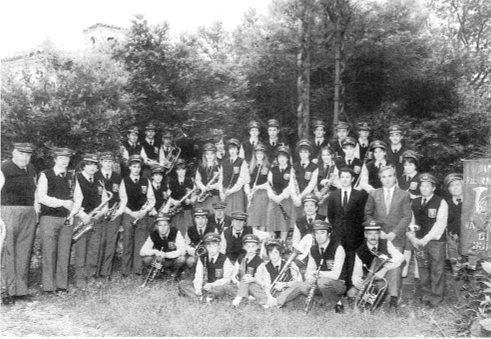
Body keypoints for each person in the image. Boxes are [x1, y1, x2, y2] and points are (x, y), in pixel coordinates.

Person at [364, 165, 412, 304]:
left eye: (390, 176)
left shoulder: (403, 194)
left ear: (395, 177)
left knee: (395, 265)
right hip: (378, 237)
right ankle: (373, 295)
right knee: (378, 264)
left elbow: (406, 217)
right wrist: (377, 231)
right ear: (380, 179)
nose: (387, 179)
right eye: (384, 177)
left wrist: (393, 233)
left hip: (395, 237)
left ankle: (394, 298)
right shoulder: (374, 194)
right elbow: (368, 214)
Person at [276, 220, 347, 313]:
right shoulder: (313, 249)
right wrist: (311, 279)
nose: (319, 236)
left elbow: (336, 275)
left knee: (322, 282)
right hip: (319, 281)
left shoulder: (338, 248)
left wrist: (319, 274)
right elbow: (308, 272)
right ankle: (332, 302)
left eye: (322, 232)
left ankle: (331, 305)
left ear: (329, 234)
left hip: (338, 283)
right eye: (316, 233)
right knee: (303, 287)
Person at [1, 143, 37, 304]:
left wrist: (36, 211)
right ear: (14, 154)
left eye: (28, 155)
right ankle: (6, 291)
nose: (25, 158)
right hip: (8, 211)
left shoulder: (32, 169)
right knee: (8, 252)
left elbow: (35, 192)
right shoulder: (4, 168)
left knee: (24, 251)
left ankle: (21, 290)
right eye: (22, 154)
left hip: (28, 212)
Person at [36, 147, 75, 295]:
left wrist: (72, 214)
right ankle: (48, 287)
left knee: (64, 252)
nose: (64, 161)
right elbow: (41, 197)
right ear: (55, 159)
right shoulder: (46, 175)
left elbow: (77, 199)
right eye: (61, 158)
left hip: (66, 218)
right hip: (49, 218)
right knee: (49, 252)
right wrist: (62, 203)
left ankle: (61, 286)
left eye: (67, 158)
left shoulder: (72, 177)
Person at [406, 173, 448, 308]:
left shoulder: (440, 202)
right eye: (422, 186)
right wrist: (412, 237)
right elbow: (411, 221)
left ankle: (436, 299)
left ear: (433, 188)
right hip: (419, 242)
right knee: (423, 269)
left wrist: (425, 239)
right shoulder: (415, 202)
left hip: (435, 242)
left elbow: (440, 224)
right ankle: (426, 296)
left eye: (427, 186)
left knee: (437, 270)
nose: (424, 188)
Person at [71, 154, 109, 289]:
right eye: (89, 164)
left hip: (95, 219)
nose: (92, 167)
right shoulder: (76, 178)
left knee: (94, 248)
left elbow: (105, 200)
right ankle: (80, 278)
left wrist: (102, 212)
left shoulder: (99, 180)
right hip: (82, 218)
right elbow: (72, 200)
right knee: (81, 249)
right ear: (83, 166)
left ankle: (90, 276)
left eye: (95, 165)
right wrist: (82, 215)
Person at [347, 220, 404, 311]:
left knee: (396, 269)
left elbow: (400, 257)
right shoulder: (360, 251)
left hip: (385, 278)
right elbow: (356, 273)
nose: (373, 237)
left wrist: (385, 269)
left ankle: (393, 302)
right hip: (371, 280)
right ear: (365, 234)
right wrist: (357, 283)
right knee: (351, 293)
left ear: (379, 234)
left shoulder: (385, 243)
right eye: (370, 234)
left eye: (376, 233)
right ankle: (373, 300)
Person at [327, 167, 368, 289]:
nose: (345, 180)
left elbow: (362, 215)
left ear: (352, 179)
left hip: (354, 235)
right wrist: (338, 228)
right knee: (340, 260)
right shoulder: (334, 195)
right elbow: (331, 216)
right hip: (338, 234)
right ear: (339, 179)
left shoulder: (360, 195)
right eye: (342, 177)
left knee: (352, 259)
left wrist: (355, 230)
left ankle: (350, 286)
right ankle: (340, 287)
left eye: (347, 177)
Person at [119, 154, 156, 277]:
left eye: (138, 167)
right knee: (128, 242)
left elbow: (152, 199)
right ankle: (125, 270)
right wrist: (131, 213)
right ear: (129, 167)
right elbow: (122, 200)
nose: (136, 169)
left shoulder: (146, 181)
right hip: (129, 214)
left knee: (140, 242)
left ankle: (138, 269)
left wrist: (145, 211)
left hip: (142, 215)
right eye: (134, 166)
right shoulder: (124, 181)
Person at [94, 151, 126, 280]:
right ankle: (95, 271)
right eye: (105, 161)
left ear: (113, 163)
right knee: (98, 242)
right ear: (100, 162)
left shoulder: (118, 178)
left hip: (114, 214)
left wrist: (118, 212)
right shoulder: (95, 175)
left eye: (110, 161)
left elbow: (123, 197)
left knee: (110, 242)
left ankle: (106, 271)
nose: (108, 164)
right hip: (99, 214)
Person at [178, 232, 235, 301]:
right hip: (204, 285)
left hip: (216, 286)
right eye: (209, 246)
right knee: (183, 283)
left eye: (214, 246)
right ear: (206, 247)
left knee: (225, 288)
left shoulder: (225, 259)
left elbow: (227, 279)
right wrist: (198, 288)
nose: (212, 249)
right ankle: (202, 298)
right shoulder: (202, 258)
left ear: (219, 246)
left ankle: (201, 297)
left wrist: (213, 285)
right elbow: (198, 276)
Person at [231, 234, 275, 308]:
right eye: (248, 246)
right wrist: (236, 281)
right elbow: (234, 273)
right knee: (227, 286)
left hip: (254, 285)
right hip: (241, 284)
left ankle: (239, 298)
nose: (250, 249)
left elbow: (261, 281)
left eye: (253, 246)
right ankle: (246, 295)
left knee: (246, 278)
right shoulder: (241, 257)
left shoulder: (259, 262)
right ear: (244, 247)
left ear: (258, 247)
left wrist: (253, 279)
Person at [256, 238, 303, 307]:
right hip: (270, 293)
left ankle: (276, 302)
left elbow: (299, 281)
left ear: (280, 253)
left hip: (287, 291)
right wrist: (268, 293)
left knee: (299, 287)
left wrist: (284, 284)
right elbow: (258, 279)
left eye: (276, 252)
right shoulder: (263, 266)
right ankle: (277, 302)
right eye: (270, 252)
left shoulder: (291, 264)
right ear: (268, 254)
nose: (273, 255)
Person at [398, 150, 421, 278]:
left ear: (415, 166)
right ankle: (405, 268)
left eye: (410, 165)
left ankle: (418, 270)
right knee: (406, 240)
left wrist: (414, 196)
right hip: (405, 213)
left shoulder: (421, 178)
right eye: (405, 165)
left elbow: (425, 195)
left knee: (416, 239)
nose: (407, 167)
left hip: (416, 212)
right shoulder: (402, 178)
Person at [140, 213, 186, 278]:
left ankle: (174, 274)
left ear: (169, 225)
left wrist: (167, 255)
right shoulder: (153, 234)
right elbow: (142, 252)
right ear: (157, 226)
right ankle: (156, 273)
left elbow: (182, 251)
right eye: (160, 225)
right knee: (147, 259)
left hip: (172, 260)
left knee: (181, 259)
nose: (163, 228)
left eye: (165, 225)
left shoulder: (176, 232)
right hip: (160, 260)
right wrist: (155, 252)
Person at [266, 146, 296, 241]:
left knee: (283, 222)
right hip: (273, 199)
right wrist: (273, 197)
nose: (282, 159)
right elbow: (269, 184)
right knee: (271, 220)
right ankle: (272, 241)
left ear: (287, 158)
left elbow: (291, 185)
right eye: (280, 157)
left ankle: (283, 242)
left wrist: (282, 196)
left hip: (285, 200)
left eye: (284, 156)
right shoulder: (273, 170)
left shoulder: (291, 170)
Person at [292, 194, 326, 265]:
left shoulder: (323, 219)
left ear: (316, 208)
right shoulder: (299, 221)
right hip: (304, 252)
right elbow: (296, 239)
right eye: (306, 206)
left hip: (320, 251)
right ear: (304, 208)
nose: (309, 208)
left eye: (311, 205)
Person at [164, 159, 196, 236]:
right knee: (176, 232)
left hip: (187, 211)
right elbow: (167, 197)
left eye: (183, 169)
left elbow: (194, 196)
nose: (181, 172)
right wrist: (173, 202)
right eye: (179, 170)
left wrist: (191, 201)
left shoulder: (191, 180)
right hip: (176, 212)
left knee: (188, 231)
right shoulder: (171, 182)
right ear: (176, 171)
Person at [219, 138, 249, 215]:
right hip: (225, 192)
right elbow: (220, 178)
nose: (232, 151)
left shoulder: (241, 162)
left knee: (237, 214)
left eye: (234, 149)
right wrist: (221, 192)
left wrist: (232, 190)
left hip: (237, 192)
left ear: (238, 150)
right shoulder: (224, 163)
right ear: (228, 150)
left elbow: (242, 179)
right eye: (230, 149)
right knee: (226, 215)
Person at [245, 143, 270, 232]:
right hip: (253, 195)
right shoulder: (250, 167)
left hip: (263, 195)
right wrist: (248, 192)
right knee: (253, 219)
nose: (259, 155)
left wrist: (259, 187)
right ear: (255, 154)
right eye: (258, 153)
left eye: (261, 153)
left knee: (262, 219)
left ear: (264, 155)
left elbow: (269, 183)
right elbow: (246, 182)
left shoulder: (268, 167)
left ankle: (262, 239)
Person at [291, 139, 318, 215]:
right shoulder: (294, 166)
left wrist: (301, 198)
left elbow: (311, 185)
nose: (303, 154)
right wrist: (295, 198)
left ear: (309, 153)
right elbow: (292, 184)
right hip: (295, 199)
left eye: (306, 152)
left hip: (308, 199)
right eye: (301, 152)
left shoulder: (314, 167)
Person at [444, 173, 463, 276]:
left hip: (469, 243)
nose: (455, 188)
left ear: (463, 185)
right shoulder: (445, 204)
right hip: (453, 242)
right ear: (449, 189)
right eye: (452, 186)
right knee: (456, 271)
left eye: (457, 184)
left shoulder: (471, 202)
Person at [314, 146, 340, 216]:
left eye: (328, 155)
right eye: (323, 155)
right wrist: (317, 193)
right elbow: (313, 184)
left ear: (332, 155)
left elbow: (340, 185)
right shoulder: (318, 167)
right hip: (319, 196)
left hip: (332, 196)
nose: (325, 157)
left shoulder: (337, 167)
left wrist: (328, 182)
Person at [195, 143, 221, 211]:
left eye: (211, 154)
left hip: (215, 195)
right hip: (203, 196)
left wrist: (214, 186)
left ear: (215, 154)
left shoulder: (219, 166)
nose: (209, 156)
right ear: (204, 155)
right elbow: (197, 180)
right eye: (207, 154)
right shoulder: (201, 166)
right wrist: (202, 187)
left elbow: (222, 181)